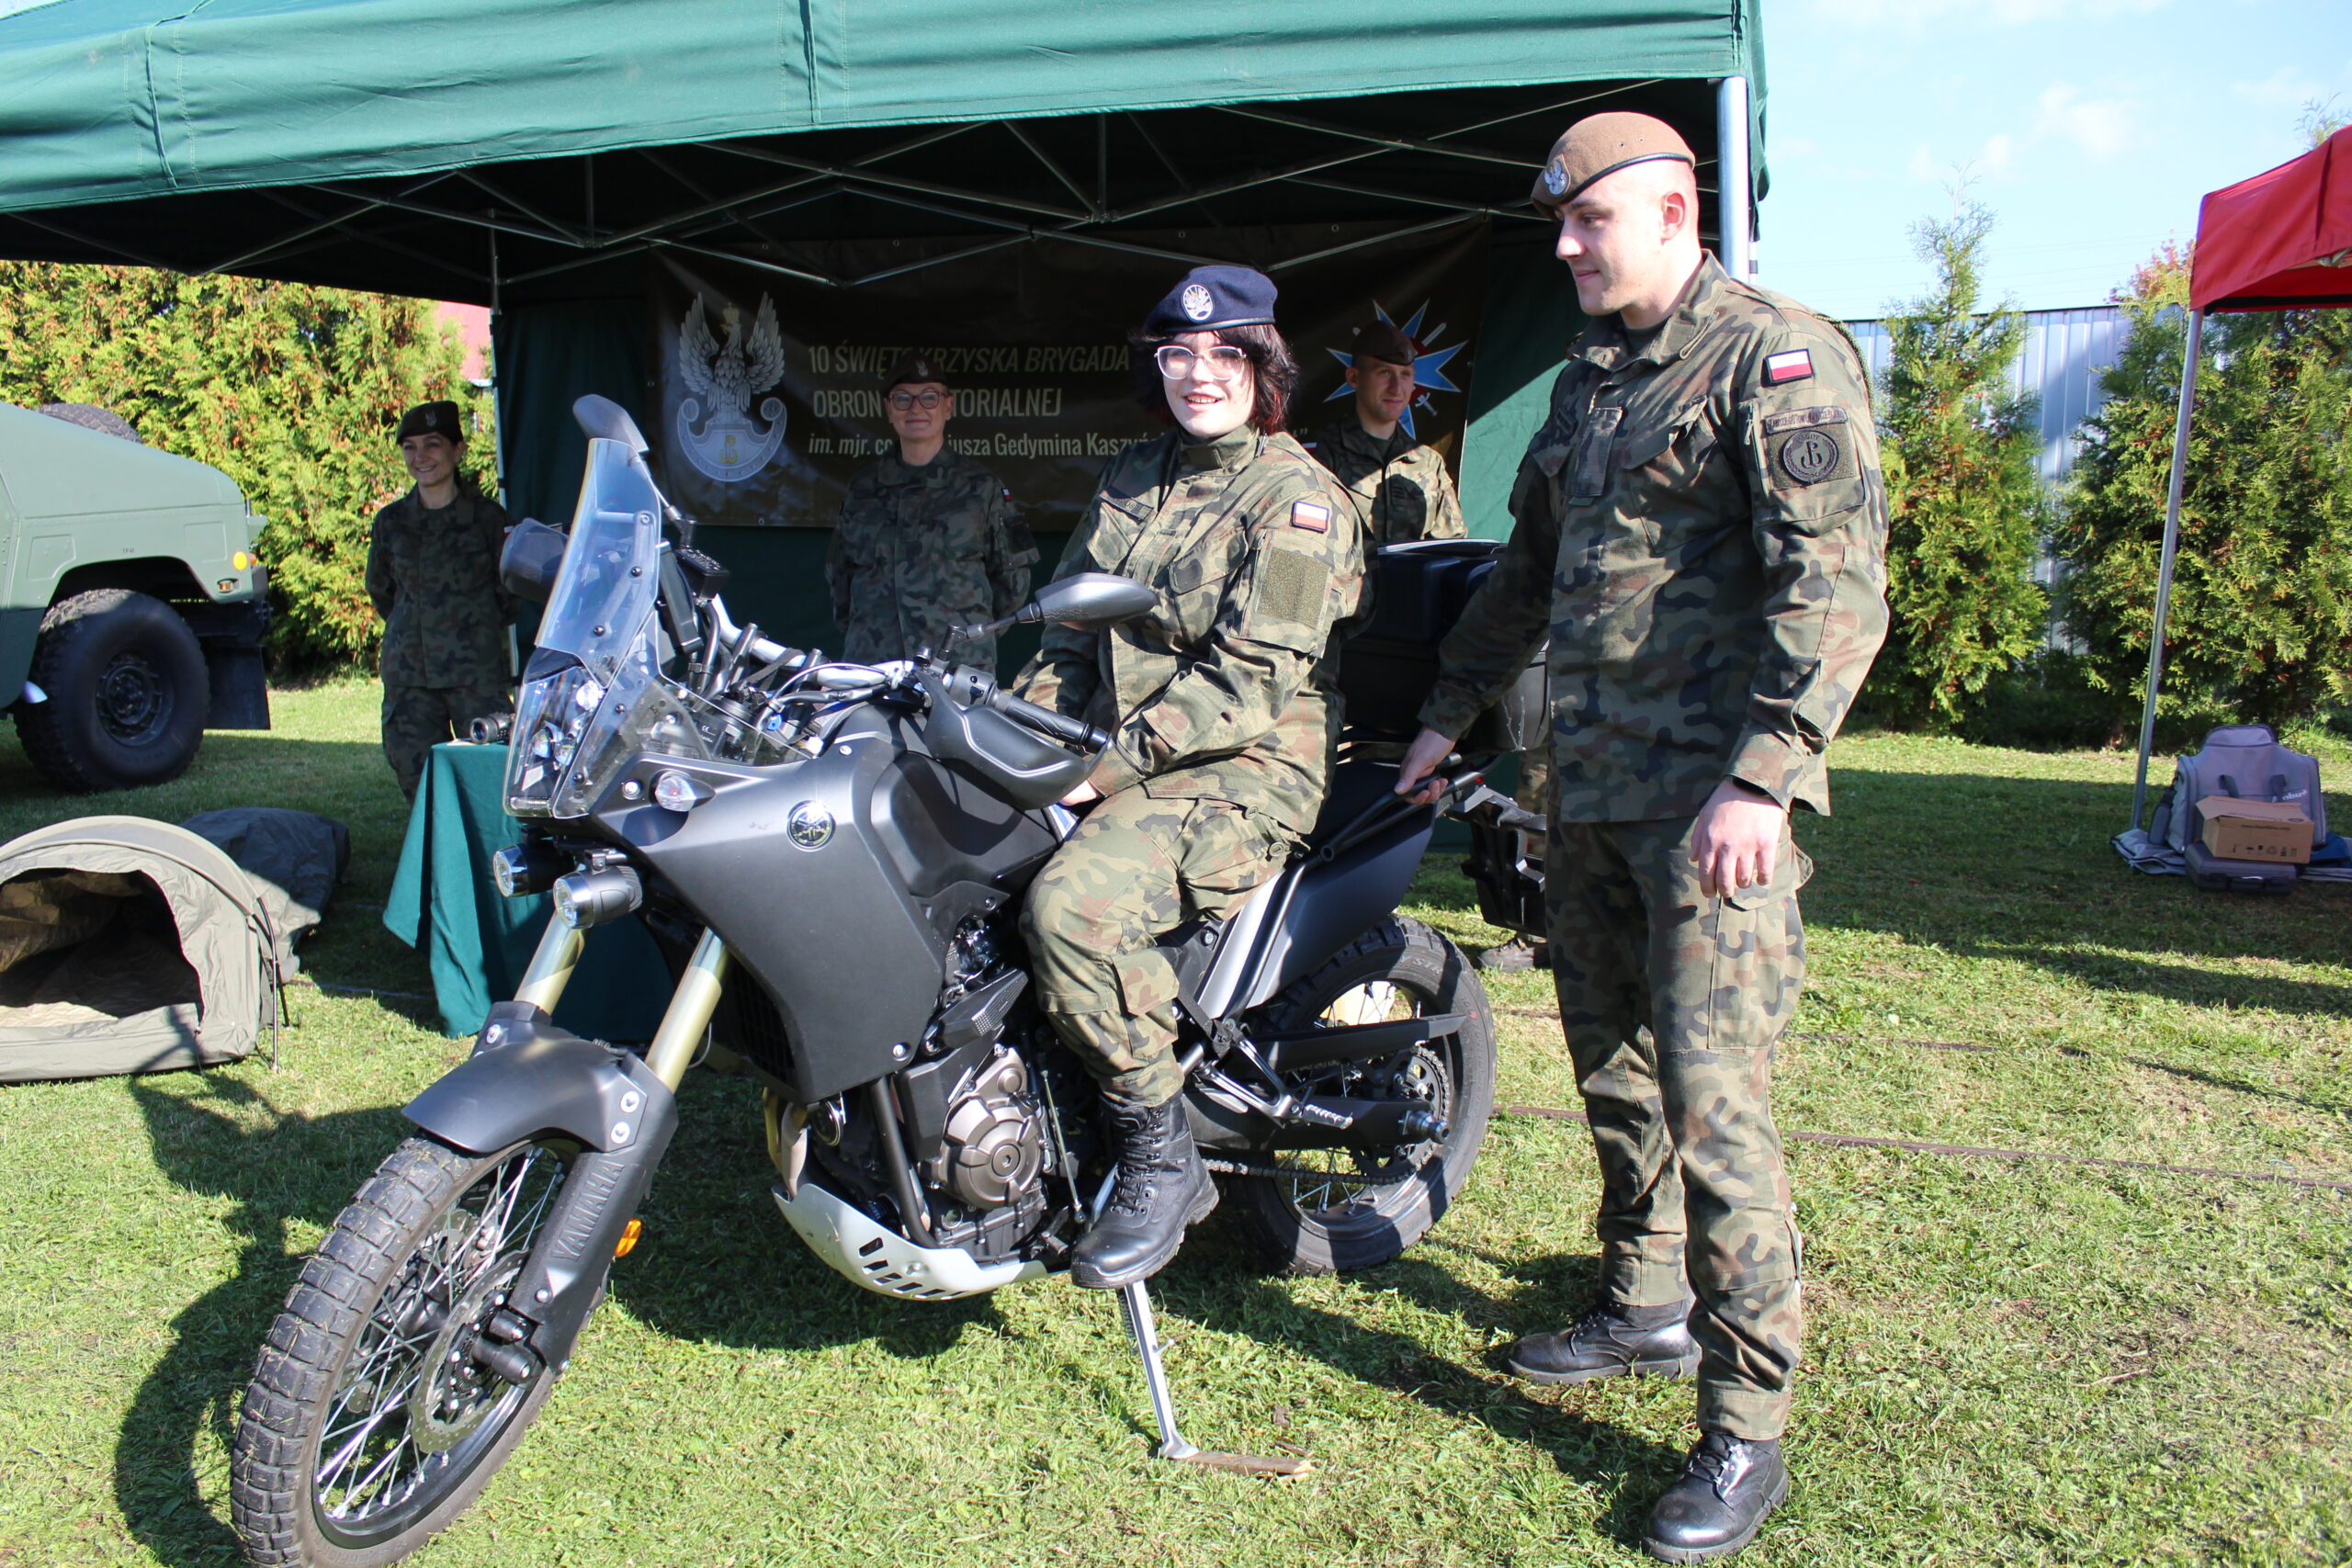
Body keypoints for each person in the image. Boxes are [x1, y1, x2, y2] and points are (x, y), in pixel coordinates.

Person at [1395, 112, 1889, 1563]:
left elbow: (1836, 585)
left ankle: (1746, 1425)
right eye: (1558, 224)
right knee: (1610, 1061)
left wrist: (1766, 773)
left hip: (1710, 816)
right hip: (1589, 796)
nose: (1564, 247)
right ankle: (1648, 1299)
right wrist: (1443, 715)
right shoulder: (1588, 384)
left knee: (1715, 1103)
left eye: (1584, 222)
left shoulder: (1773, 356)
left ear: (1673, 207)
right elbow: (1526, 573)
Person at [1014, 265, 1362, 1291]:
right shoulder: (1134, 472)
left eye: (1225, 355)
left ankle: (1161, 1156)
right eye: (1178, 354)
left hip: (1246, 767)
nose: (1198, 372)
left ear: (1264, 370)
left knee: (1073, 908)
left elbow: (1253, 681)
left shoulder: (1297, 502)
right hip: (1121, 753)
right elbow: (1070, 631)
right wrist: (1019, 737)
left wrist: (1096, 774)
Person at [827, 355, 1037, 671]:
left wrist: (969, 637)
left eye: (929, 397)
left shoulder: (982, 488)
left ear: (947, 407)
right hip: (873, 664)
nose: (916, 409)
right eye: (902, 399)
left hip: (956, 668)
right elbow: (839, 578)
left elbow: (1013, 583)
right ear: (888, 409)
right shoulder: (862, 489)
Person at [365, 400, 519, 801]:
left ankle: (489, 861)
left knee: (489, 777)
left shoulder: (489, 520)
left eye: (432, 444)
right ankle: (433, 861)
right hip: (410, 680)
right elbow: (382, 590)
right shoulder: (391, 522)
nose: (420, 457)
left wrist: (467, 630)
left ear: (458, 450)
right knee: (418, 782)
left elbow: (512, 594)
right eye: (410, 447)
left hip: (474, 678)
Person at [1299, 319, 1465, 545]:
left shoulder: (1428, 464)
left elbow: (1452, 548)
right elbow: (1303, 545)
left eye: (1405, 374)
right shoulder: (1317, 456)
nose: (1397, 388)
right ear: (1354, 378)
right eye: (1385, 373)